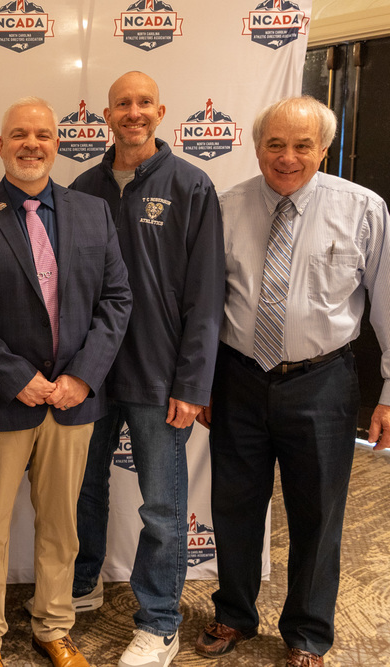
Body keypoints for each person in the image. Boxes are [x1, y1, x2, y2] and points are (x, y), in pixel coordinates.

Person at [193, 96, 390, 667]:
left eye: (303, 144)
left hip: (323, 383)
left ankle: (307, 632)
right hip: (238, 379)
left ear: (323, 148)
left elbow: (386, 307)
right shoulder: (226, 208)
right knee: (233, 506)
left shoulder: (363, 209)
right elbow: (206, 307)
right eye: (275, 144)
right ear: (257, 147)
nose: (287, 157)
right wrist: (200, 381)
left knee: (318, 512)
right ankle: (233, 613)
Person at [0, 96, 132, 667]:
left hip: (71, 402)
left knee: (61, 529)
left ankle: (53, 624)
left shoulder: (91, 213)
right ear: (0, 145)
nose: (32, 145)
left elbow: (117, 301)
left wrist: (82, 377)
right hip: (0, 400)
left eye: (42, 135)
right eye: (19, 134)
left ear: (57, 142)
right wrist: (16, 377)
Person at [67, 71, 224, 667]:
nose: (132, 112)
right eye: (122, 104)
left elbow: (206, 296)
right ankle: (82, 583)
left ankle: (159, 621)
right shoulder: (82, 188)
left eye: (143, 103)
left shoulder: (191, 185)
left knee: (162, 505)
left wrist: (194, 383)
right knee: (84, 489)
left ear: (159, 111)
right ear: (105, 114)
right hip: (91, 372)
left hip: (161, 379)